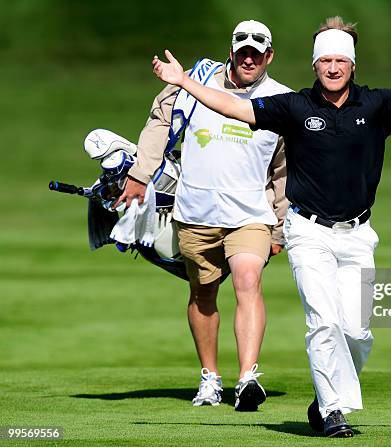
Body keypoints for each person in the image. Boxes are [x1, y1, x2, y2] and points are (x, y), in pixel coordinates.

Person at [151, 15, 391, 436]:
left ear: (352, 65)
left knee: (358, 332)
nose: (332, 68)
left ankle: (326, 397)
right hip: (307, 232)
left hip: (358, 234)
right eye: (324, 60)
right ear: (315, 65)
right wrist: (185, 83)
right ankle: (331, 411)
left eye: (339, 61)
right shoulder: (295, 107)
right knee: (323, 321)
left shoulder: (376, 105)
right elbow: (235, 106)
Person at [114, 20, 292, 411]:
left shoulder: (282, 99)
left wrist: (279, 225)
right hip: (196, 210)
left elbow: (282, 169)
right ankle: (210, 378)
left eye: (257, 52)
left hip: (251, 214)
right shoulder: (197, 78)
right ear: (231, 51)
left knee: (249, 280)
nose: (249, 58)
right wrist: (140, 174)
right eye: (242, 50)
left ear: (269, 56)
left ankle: (247, 378)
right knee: (203, 293)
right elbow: (160, 121)